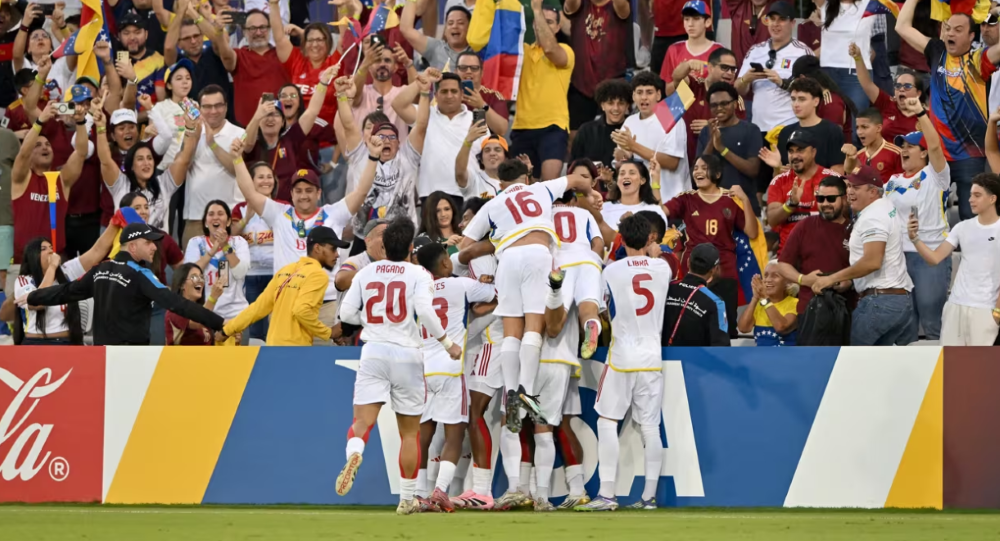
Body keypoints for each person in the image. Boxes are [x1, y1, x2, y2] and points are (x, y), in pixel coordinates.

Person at [335, 219, 461, 516]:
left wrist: (374, 324)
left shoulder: (366, 273)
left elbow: (346, 313)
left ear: (383, 245)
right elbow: (425, 312)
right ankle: (407, 499)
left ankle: (355, 453)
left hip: (374, 351)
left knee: (362, 422)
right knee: (409, 433)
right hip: (407, 355)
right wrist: (447, 343)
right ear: (408, 247)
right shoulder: (418, 273)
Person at [459, 168, 597, 438]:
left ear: (501, 183)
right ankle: (526, 392)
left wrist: (496, 237)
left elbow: (465, 246)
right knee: (533, 330)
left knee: (512, 333)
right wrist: (590, 193)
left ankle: (511, 393)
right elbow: (578, 180)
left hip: (508, 259)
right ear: (525, 179)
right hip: (538, 254)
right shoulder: (541, 188)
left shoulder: (493, 204)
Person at [231, 129, 375, 342]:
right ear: (291, 194)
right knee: (286, 367)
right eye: (298, 191)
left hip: (325, 303)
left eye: (309, 190)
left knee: (323, 367)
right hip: (286, 305)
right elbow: (250, 193)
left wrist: (372, 157)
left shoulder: (332, 213)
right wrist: (236, 159)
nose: (304, 195)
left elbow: (361, 191)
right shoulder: (279, 214)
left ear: (318, 193)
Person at [576, 214, 671, 512]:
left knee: (606, 421)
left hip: (621, 357)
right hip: (652, 358)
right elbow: (661, 260)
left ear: (622, 238)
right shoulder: (663, 268)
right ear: (650, 238)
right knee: (651, 428)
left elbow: (603, 311)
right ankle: (649, 498)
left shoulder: (611, 271)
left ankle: (607, 495)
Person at [21, 223, 225, 345]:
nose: (154, 247)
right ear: (133, 246)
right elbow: (177, 303)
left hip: (103, 355)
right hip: (131, 356)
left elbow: (65, 292)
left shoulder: (100, 269)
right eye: (148, 242)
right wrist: (219, 322)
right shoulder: (140, 273)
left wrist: (32, 296)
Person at [897, 0, 1000, 220]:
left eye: (959, 30)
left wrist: (997, 11)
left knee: (969, 215)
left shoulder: (979, 60)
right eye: (948, 28)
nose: (951, 33)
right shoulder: (937, 51)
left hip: (970, 156)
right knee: (930, 216)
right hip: (937, 154)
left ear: (972, 36)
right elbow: (901, 27)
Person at [414, 242, 496, 511]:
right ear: (447, 263)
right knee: (454, 435)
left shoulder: (418, 289)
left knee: (423, 435)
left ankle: (418, 493)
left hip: (423, 369)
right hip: (451, 366)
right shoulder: (461, 285)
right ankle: (440, 490)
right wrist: (485, 280)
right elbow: (495, 293)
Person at [812, 165, 916, 346]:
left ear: (873, 192)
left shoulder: (872, 217)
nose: (849, 192)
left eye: (856, 187)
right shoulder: (885, 206)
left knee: (856, 365)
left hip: (880, 301)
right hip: (898, 299)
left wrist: (831, 279)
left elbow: (872, 261)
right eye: (849, 186)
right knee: (881, 368)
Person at [660, 155, 758, 336]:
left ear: (717, 173)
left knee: (725, 328)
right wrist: (655, 181)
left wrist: (744, 199)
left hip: (724, 272)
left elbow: (752, 232)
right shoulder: (686, 199)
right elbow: (659, 213)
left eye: (703, 168)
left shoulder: (731, 199)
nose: (697, 171)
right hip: (693, 273)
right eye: (695, 168)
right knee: (690, 327)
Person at [883, 98, 951, 341]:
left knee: (933, 323)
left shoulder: (936, 176)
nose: (904, 149)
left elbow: (936, 148)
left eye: (910, 146)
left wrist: (921, 114)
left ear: (923, 152)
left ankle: (944, 376)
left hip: (930, 254)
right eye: (901, 145)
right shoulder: (892, 181)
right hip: (898, 256)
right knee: (904, 325)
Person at [907, 173, 1000, 346]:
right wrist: (915, 239)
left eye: (977, 195)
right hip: (954, 307)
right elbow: (935, 258)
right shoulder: (962, 227)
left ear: (993, 198)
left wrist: (997, 313)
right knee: (950, 368)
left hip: (985, 310)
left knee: (981, 370)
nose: (971, 199)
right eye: (971, 194)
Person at [217, 226, 349, 345]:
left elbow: (257, 309)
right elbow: (301, 311)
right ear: (317, 248)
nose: (337, 254)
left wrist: (226, 331)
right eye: (333, 248)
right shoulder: (318, 274)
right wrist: (328, 332)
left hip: (273, 345)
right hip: (296, 350)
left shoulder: (285, 271)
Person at [336, 72, 430, 231]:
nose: (386, 140)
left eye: (391, 136)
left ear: (399, 141)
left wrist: (425, 93)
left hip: (402, 235)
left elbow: (420, 127)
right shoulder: (361, 155)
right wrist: (342, 96)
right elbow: (348, 125)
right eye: (381, 136)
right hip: (364, 237)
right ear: (371, 139)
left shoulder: (407, 156)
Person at [97, 103, 198, 233]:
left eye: (149, 158)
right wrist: (100, 128)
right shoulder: (120, 184)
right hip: (128, 250)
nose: (147, 163)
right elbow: (105, 161)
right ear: (131, 166)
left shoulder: (164, 184)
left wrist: (189, 127)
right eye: (140, 159)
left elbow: (184, 159)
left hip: (158, 251)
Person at [11, 102, 87, 274]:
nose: (45, 147)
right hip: (25, 262)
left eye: (47, 144)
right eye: (37, 145)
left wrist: (81, 123)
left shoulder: (62, 180)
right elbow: (23, 153)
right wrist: (40, 121)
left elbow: (81, 152)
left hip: (55, 260)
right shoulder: (21, 179)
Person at [12, 224, 119, 345]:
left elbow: (96, 252)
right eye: (44, 249)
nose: (51, 251)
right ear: (32, 255)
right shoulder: (24, 280)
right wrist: (52, 267)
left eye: (51, 247)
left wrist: (114, 225)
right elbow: (39, 302)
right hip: (35, 343)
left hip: (65, 342)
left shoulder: (66, 272)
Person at [242, 66, 335, 202]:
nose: (270, 119)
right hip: (258, 209)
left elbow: (312, 111)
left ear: (283, 122)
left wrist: (323, 82)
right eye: (266, 115)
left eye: (275, 115)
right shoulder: (253, 142)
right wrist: (257, 116)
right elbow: (247, 145)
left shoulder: (290, 140)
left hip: (286, 211)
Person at [508, 0, 575, 181]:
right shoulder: (522, 52)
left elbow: (551, 50)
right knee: (521, 189)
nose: (544, 24)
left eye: (550, 22)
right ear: (533, 24)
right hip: (522, 127)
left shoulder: (566, 51)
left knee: (548, 188)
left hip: (553, 128)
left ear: (558, 27)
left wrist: (536, 9)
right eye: (541, 21)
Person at [776, 176, 854, 314]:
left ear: (844, 198)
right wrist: (804, 279)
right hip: (809, 310)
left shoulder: (855, 229)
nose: (825, 204)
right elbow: (783, 264)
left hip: (846, 309)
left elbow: (867, 265)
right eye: (820, 199)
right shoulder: (804, 226)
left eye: (831, 199)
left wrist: (850, 282)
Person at [393, 71, 473, 202]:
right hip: (431, 194)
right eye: (444, 91)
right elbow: (398, 105)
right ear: (435, 95)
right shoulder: (425, 114)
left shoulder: (474, 119)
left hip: (468, 195)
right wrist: (422, 81)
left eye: (454, 91)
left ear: (462, 94)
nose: (449, 96)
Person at [735, 1, 812, 136]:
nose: (776, 24)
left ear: (792, 23)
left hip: (789, 126)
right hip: (758, 127)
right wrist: (746, 80)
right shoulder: (755, 51)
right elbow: (738, 89)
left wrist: (781, 82)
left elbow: (812, 91)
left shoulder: (802, 52)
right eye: (772, 19)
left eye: (782, 19)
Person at [182, 85, 246, 247]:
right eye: (207, 107)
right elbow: (181, 168)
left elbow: (237, 170)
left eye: (218, 105)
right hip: (196, 217)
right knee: (192, 270)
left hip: (228, 218)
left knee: (228, 269)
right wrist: (194, 138)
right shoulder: (190, 132)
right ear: (200, 108)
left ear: (225, 107)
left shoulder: (238, 133)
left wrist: (212, 143)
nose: (213, 111)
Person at [617, 71, 688, 202]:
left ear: (659, 95)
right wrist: (621, 155)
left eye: (649, 92)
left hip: (672, 200)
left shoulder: (670, 116)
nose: (644, 97)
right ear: (633, 96)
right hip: (641, 200)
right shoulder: (630, 121)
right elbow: (623, 159)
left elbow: (672, 163)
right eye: (639, 92)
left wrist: (633, 147)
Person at [564, 0, 631, 138]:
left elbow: (623, 10)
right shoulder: (579, 4)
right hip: (581, 83)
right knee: (575, 137)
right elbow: (570, 6)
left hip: (613, 81)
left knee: (616, 137)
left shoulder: (618, 4)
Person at [764, 129, 839, 250]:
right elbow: (772, 220)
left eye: (800, 150)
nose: (795, 156)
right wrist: (790, 204)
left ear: (813, 152)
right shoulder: (779, 181)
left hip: (824, 250)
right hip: (788, 254)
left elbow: (845, 215)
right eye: (791, 151)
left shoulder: (832, 178)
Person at [183, 200, 250, 332]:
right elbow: (189, 276)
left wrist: (225, 246)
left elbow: (240, 272)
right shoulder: (196, 243)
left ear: (229, 221)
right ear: (206, 222)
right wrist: (211, 252)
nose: (215, 217)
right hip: (206, 314)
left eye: (220, 214)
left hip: (236, 316)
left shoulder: (239, 242)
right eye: (211, 214)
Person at [216, 8, 289, 127]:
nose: (258, 33)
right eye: (252, 29)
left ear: (270, 29)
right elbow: (226, 57)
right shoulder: (239, 55)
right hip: (247, 131)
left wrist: (301, 34)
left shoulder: (282, 55)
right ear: (244, 32)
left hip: (281, 129)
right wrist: (218, 32)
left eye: (262, 27)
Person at [696, 81, 761, 215]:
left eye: (724, 103)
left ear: (735, 104)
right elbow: (699, 171)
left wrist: (722, 149)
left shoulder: (751, 130)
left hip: (745, 208)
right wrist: (711, 141)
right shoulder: (706, 131)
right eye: (714, 105)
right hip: (713, 209)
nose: (719, 108)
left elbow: (753, 169)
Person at [231, 162, 277, 342]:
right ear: (251, 181)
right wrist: (246, 218)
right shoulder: (240, 209)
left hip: (277, 275)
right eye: (260, 177)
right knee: (255, 328)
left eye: (269, 177)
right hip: (251, 276)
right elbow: (230, 237)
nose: (266, 181)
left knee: (276, 325)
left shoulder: (282, 206)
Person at [678, 48, 745, 168]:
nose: (730, 73)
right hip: (686, 163)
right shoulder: (694, 86)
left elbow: (741, 133)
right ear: (710, 68)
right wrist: (687, 65)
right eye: (724, 67)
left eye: (733, 69)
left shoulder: (735, 99)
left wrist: (712, 128)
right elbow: (676, 78)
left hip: (719, 167)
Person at [163, 0, 234, 110]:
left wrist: (197, 14)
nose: (193, 41)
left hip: (221, 118)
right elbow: (168, 47)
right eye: (187, 38)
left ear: (202, 36)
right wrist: (181, 11)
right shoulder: (178, 63)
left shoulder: (214, 53)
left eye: (196, 36)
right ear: (179, 44)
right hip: (189, 121)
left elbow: (219, 39)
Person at [850, 41, 922, 142]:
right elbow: (867, 84)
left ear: (918, 93)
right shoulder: (888, 103)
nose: (901, 89)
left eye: (907, 86)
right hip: (884, 156)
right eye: (898, 86)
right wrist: (858, 57)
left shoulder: (925, 116)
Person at [661, 242, 731, 346]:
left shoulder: (666, 287)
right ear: (715, 270)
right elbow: (721, 346)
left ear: (688, 262)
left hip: (658, 358)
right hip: (693, 361)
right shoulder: (716, 302)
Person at [275, 17, 342, 125]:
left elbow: (344, 38)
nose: (315, 45)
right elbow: (279, 39)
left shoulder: (335, 63)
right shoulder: (296, 60)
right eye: (310, 40)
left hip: (326, 138)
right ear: (304, 44)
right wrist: (273, 5)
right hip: (297, 135)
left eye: (320, 40)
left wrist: (341, 7)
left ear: (328, 42)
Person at [770, 78, 846, 172]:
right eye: (793, 99)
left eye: (802, 99)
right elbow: (777, 177)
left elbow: (837, 172)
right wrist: (779, 170)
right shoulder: (785, 132)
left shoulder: (832, 131)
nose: (796, 104)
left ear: (816, 101)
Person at [818, 0, 875, 115]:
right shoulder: (825, 4)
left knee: (857, 120)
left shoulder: (870, 3)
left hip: (857, 73)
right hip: (827, 72)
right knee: (830, 119)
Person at [350, 39, 416, 140]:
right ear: (369, 67)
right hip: (366, 154)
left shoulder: (402, 92)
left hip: (397, 154)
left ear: (395, 67)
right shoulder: (362, 92)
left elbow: (417, 93)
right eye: (377, 60)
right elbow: (353, 96)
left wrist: (408, 63)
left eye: (387, 60)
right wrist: (364, 64)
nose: (382, 64)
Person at [659, 0, 721, 92]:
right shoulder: (673, 50)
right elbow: (668, 92)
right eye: (687, 19)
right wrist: (682, 79)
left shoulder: (718, 50)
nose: (690, 24)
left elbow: (725, 88)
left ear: (707, 22)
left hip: (710, 104)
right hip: (683, 105)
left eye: (696, 19)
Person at [570, 78, 631, 169]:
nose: (615, 108)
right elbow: (573, 165)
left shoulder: (635, 129)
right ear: (602, 105)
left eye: (621, 103)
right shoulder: (586, 130)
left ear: (627, 106)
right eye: (610, 103)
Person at [147, 58, 197, 169]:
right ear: (169, 85)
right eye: (179, 78)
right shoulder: (160, 107)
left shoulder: (194, 106)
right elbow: (151, 138)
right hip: (165, 168)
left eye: (188, 78)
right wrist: (147, 132)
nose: (185, 82)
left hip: (189, 169)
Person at [599, 160, 666, 238]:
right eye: (622, 174)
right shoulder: (604, 209)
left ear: (642, 180)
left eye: (632, 173)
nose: (626, 176)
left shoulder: (655, 210)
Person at [737, 261, 798, 346]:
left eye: (775, 276)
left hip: (785, 357)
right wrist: (755, 298)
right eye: (765, 275)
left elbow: (781, 327)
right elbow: (743, 328)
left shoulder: (795, 303)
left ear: (787, 282)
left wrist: (765, 298)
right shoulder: (760, 303)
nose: (768, 280)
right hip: (761, 357)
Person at [165, 262, 225, 346]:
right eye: (194, 277)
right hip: (182, 358)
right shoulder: (175, 310)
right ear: (182, 285)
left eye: (201, 277)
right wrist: (213, 298)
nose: (200, 281)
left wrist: (227, 334)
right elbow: (199, 322)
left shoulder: (203, 309)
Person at [400, 3, 472, 70]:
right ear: (445, 31)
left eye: (460, 23)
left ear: (470, 28)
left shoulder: (479, 51)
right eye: (450, 23)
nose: (455, 26)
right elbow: (406, 29)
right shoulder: (436, 48)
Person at [454, 51, 510, 136]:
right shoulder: (447, 94)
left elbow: (502, 130)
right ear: (455, 72)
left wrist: (482, 105)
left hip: (483, 146)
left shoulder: (493, 96)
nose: (468, 71)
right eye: (463, 67)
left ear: (482, 73)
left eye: (474, 68)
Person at [842, 108, 903, 184]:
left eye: (864, 127)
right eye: (857, 127)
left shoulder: (896, 153)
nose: (859, 132)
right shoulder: (858, 155)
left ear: (878, 128)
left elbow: (905, 182)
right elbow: (850, 177)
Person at [116, 12, 166, 104]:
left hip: (152, 114)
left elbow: (161, 100)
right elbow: (115, 98)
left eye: (137, 32)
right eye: (126, 33)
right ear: (119, 36)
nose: (132, 37)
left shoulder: (158, 60)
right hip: (123, 116)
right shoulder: (116, 63)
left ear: (146, 34)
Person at [456, 126, 506, 200]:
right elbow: (460, 174)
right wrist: (468, 141)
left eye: (497, 150)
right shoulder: (474, 180)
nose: (492, 153)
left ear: (505, 158)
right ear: (481, 159)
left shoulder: (512, 182)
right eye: (487, 150)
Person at [416, 191, 463, 256]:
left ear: (453, 210)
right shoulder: (423, 239)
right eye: (437, 211)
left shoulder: (465, 233)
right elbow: (423, 259)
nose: (443, 214)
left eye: (447, 209)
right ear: (430, 214)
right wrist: (445, 245)